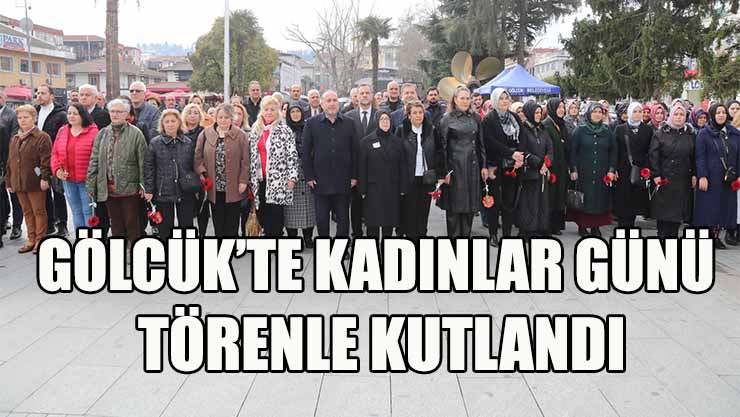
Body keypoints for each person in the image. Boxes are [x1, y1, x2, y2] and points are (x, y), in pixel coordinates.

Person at [86, 99, 147, 250]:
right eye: (112, 111)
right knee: (115, 222)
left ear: (126, 114)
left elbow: (143, 161)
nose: (115, 114)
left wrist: (143, 185)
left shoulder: (136, 133)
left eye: (119, 111)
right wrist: (91, 184)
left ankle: (135, 248)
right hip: (108, 188)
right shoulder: (102, 134)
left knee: (132, 221)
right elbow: (94, 160)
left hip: (130, 187)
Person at [302, 91, 357, 239]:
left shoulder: (349, 123)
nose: (332, 103)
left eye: (334, 100)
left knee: (343, 218)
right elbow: (305, 152)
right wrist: (309, 176)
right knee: (322, 219)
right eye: (328, 100)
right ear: (322, 104)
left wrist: (354, 176)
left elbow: (355, 151)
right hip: (320, 180)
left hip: (343, 179)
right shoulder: (311, 123)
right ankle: (324, 246)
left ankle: (341, 246)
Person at [437, 86, 488, 237]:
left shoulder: (476, 118)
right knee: (454, 208)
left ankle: (465, 239)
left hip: (472, 167)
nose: (465, 101)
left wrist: (484, 166)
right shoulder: (447, 119)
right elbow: (442, 148)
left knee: (469, 208)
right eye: (462, 98)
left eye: (468, 98)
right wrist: (444, 171)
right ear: (455, 99)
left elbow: (481, 144)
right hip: (455, 169)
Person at [194, 104, 250, 237]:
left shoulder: (241, 135)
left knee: (232, 221)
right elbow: (197, 156)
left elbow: (246, 160)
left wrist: (243, 181)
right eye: (220, 117)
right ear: (215, 118)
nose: (223, 120)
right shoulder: (206, 134)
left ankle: (231, 244)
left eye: (226, 117)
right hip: (214, 186)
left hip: (234, 186)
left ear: (231, 118)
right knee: (218, 220)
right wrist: (202, 173)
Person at [5, 105, 51, 254]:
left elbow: (46, 160)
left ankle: (40, 240)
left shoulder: (42, 137)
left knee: (38, 211)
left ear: (34, 118)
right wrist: (9, 180)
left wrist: (44, 178)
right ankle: (31, 239)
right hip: (18, 181)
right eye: (19, 118)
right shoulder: (15, 138)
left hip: (34, 181)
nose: (22, 120)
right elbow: (10, 161)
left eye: (26, 117)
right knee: (27, 211)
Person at [248, 97, 298, 237]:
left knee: (276, 215)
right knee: (262, 214)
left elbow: (292, 155)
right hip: (259, 179)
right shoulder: (255, 129)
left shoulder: (284, 130)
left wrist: (292, 177)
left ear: (277, 112)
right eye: (266, 109)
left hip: (278, 180)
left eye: (272, 110)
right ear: (261, 111)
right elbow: (251, 154)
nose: (269, 112)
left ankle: (276, 241)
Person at [482, 88, 525, 244]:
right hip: (496, 165)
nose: (504, 101)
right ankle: (493, 234)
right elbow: (490, 142)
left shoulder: (514, 117)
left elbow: (522, 137)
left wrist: (520, 156)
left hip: (513, 166)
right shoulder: (489, 119)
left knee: (509, 201)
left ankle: (507, 234)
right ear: (495, 100)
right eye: (501, 98)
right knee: (494, 202)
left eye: (506, 98)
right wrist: (511, 154)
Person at [143, 109, 195, 239]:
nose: (170, 124)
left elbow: (192, 166)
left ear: (179, 123)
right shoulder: (155, 143)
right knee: (165, 228)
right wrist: (149, 190)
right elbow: (149, 167)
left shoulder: (188, 142)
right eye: (167, 121)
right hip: (163, 190)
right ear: (162, 124)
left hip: (184, 190)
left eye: (173, 121)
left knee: (187, 225)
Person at [694, 103, 740, 249]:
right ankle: (708, 236)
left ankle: (717, 235)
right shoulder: (704, 133)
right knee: (710, 208)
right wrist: (702, 176)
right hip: (711, 176)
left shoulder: (733, 133)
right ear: (713, 115)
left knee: (724, 207)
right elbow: (700, 156)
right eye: (718, 112)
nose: (721, 115)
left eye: (723, 112)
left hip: (729, 177)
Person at [569, 102, 617, 237]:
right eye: (594, 112)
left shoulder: (607, 131)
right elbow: (573, 151)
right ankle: (582, 226)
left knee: (599, 200)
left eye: (600, 112)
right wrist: (573, 169)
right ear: (589, 114)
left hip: (602, 171)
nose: (597, 114)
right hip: (584, 171)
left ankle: (596, 227)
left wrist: (611, 170)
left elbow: (613, 151)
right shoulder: (580, 130)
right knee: (585, 199)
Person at [50, 103, 99, 232]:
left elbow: (98, 156)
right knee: (76, 211)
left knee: (88, 211)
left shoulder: (93, 131)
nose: (71, 116)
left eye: (75, 114)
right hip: (68, 179)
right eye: (69, 113)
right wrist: (57, 170)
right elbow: (55, 153)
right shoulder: (63, 131)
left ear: (83, 115)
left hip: (87, 180)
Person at [649, 104, 696, 238]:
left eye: (681, 115)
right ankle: (661, 237)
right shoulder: (661, 133)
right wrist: (656, 174)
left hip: (682, 179)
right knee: (663, 214)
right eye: (676, 114)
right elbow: (653, 155)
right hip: (664, 179)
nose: (679, 117)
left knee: (676, 214)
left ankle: (672, 239)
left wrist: (694, 174)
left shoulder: (689, 134)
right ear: (671, 115)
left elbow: (693, 156)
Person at [358, 111, 406, 239]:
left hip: (391, 188)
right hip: (373, 189)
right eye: (382, 119)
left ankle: (387, 248)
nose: (385, 122)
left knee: (388, 224)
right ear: (377, 122)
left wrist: (402, 188)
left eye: (387, 119)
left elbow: (402, 166)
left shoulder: (397, 142)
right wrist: (362, 189)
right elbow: (362, 167)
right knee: (372, 224)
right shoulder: (366, 141)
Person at [397, 100, 439, 238]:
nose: (418, 115)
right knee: (410, 210)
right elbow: (397, 155)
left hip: (426, 178)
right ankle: (411, 238)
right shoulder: (402, 130)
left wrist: (440, 174)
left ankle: (422, 236)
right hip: (409, 177)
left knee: (423, 210)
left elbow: (438, 153)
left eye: (420, 112)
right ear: (409, 115)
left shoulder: (431, 130)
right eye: (414, 113)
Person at [346, 84, 380, 238]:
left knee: (373, 205)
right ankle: (357, 234)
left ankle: (372, 236)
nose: (365, 95)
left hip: (375, 169)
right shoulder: (349, 117)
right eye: (362, 93)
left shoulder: (380, 115)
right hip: (355, 169)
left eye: (367, 93)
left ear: (372, 95)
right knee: (356, 205)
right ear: (357, 96)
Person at [35, 84, 69, 237]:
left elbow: (63, 139)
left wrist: (60, 160)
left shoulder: (60, 114)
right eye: (38, 93)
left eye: (43, 93)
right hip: (38, 160)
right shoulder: (35, 112)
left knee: (58, 192)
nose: (39, 96)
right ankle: (49, 223)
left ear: (51, 95)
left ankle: (62, 224)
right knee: (44, 192)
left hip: (55, 159)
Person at [516, 101, 553, 238]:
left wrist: (547, 163)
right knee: (529, 203)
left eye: (540, 113)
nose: (538, 115)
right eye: (536, 113)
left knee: (541, 202)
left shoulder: (543, 129)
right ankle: (527, 229)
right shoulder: (523, 130)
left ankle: (540, 227)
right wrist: (538, 163)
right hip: (529, 172)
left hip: (542, 172)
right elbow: (523, 151)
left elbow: (550, 148)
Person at [612, 102, 652, 228]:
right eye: (635, 111)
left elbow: (650, 151)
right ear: (629, 113)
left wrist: (647, 168)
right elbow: (615, 150)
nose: (638, 114)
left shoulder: (647, 130)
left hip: (639, 171)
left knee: (635, 204)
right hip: (623, 170)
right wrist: (614, 168)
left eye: (640, 111)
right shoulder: (620, 129)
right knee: (623, 205)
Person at [284, 103, 316, 246]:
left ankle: (308, 237)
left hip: (307, 170)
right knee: (291, 209)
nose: (295, 114)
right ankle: (293, 238)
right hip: (290, 172)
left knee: (308, 207)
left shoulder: (309, 128)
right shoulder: (284, 129)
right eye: (293, 112)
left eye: (298, 111)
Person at [542, 98, 570, 235]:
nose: (561, 110)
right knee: (550, 197)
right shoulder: (546, 125)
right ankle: (547, 226)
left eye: (563, 107)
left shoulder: (562, 124)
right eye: (558, 107)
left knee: (559, 196)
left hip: (562, 167)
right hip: (552, 167)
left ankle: (557, 225)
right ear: (552, 108)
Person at [0, 88, 22, 241]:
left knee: (15, 194)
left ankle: (17, 226)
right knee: (2, 195)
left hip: (10, 159)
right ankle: (4, 220)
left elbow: (15, 137)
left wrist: (9, 160)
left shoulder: (12, 115)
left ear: (5, 98)